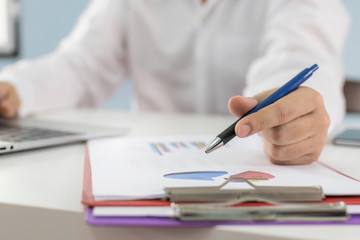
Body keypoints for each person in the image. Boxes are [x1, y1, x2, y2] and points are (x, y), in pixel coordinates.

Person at [0, 0, 350, 165]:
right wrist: (16, 88)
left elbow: (296, 57)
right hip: (151, 165)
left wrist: (288, 111)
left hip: (255, 171)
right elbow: (79, 65)